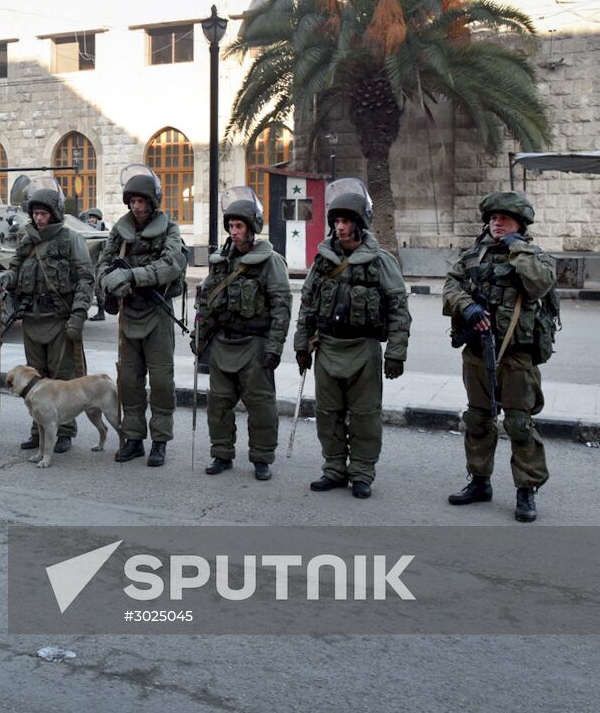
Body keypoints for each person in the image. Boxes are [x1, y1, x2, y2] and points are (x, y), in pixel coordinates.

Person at [442, 191, 557, 523]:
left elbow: (538, 285)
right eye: (493, 219)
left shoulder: (534, 256)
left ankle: (526, 490)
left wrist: (516, 246)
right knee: (477, 419)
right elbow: (451, 287)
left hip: (517, 357)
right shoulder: (473, 257)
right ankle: (479, 482)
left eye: (504, 219)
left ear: (520, 224)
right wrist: (469, 306)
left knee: (519, 424)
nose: (497, 224)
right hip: (478, 353)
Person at [293, 179, 411, 499]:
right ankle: (333, 468)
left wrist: (397, 352)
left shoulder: (382, 261)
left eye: (347, 221)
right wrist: (301, 345)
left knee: (365, 415)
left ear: (360, 224)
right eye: (337, 222)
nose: (341, 227)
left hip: (364, 349)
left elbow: (399, 308)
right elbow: (307, 305)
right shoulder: (322, 262)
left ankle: (361, 472)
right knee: (327, 413)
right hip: (328, 347)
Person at [194, 188, 291, 480]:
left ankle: (262, 458)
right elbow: (206, 301)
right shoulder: (221, 262)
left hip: (255, 344)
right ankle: (221, 454)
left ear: (252, 229)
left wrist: (275, 347)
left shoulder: (270, 261)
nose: (234, 232)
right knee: (219, 402)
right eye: (231, 226)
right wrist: (199, 338)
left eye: (239, 226)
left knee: (260, 404)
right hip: (223, 343)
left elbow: (281, 306)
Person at [0, 180, 94, 454]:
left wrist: (79, 315)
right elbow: (15, 270)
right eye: (35, 213)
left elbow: (86, 279)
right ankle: (39, 429)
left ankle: (65, 433)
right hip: (33, 320)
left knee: (64, 379)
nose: (38, 218)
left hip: (59, 319)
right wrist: (6, 277)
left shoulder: (71, 239)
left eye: (43, 213)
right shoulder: (27, 241)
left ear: (55, 213)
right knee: (34, 382)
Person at [95, 167, 187, 467]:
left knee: (161, 381)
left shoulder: (169, 229)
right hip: (129, 315)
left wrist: (132, 276)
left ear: (153, 202)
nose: (137, 206)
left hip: (157, 314)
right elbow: (102, 265)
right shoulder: (119, 232)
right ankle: (133, 438)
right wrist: (111, 282)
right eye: (133, 201)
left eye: (142, 201)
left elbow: (171, 264)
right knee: (129, 381)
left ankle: (159, 441)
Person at [79, 207, 108, 321]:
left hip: (97, 265)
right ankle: (83, 312)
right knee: (83, 289)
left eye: (94, 218)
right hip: (86, 264)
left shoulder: (101, 232)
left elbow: (105, 250)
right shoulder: (85, 229)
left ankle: (101, 312)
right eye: (90, 217)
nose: (91, 220)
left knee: (98, 290)